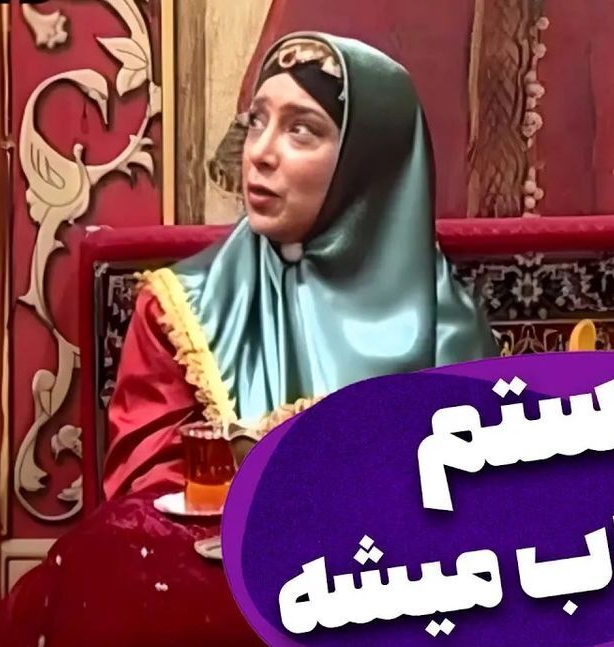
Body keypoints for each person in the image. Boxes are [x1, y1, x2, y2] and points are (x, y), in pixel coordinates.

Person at [103, 33, 497, 499]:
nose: (259, 153)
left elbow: (494, 504)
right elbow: (147, 500)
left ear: (366, 163)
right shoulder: (182, 314)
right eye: (256, 121)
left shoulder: (452, 332)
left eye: (301, 130)